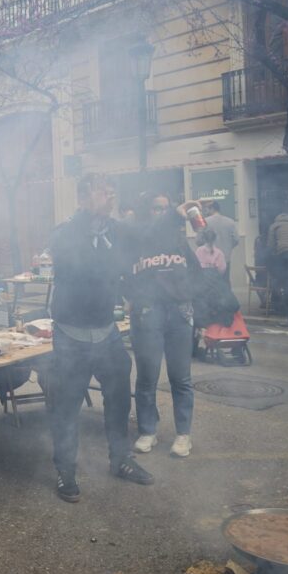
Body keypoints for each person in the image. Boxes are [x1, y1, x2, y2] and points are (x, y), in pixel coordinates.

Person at [48, 173, 154, 503]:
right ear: (82, 199)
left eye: (111, 192)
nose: (110, 198)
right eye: (102, 193)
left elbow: (142, 243)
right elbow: (83, 269)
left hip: (107, 333)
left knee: (119, 400)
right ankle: (66, 470)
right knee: (67, 407)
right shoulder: (65, 233)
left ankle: (120, 459)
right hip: (71, 336)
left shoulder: (115, 231)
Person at [128, 195, 199, 460]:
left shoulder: (180, 242)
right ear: (148, 212)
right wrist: (135, 300)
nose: (162, 213)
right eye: (156, 208)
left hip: (179, 314)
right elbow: (124, 275)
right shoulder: (138, 239)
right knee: (146, 378)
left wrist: (192, 303)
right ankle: (147, 431)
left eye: (165, 208)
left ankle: (183, 435)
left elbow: (197, 273)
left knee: (180, 378)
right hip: (148, 315)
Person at [202, 201, 238, 279]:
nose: (205, 212)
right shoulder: (230, 222)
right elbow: (236, 239)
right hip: (226, 258)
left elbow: (198, 240)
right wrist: (228, 247)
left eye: (206, 209)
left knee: (211, 286)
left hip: (210, 262)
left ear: (212, 209)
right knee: (225, 283)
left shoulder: (205, 222)